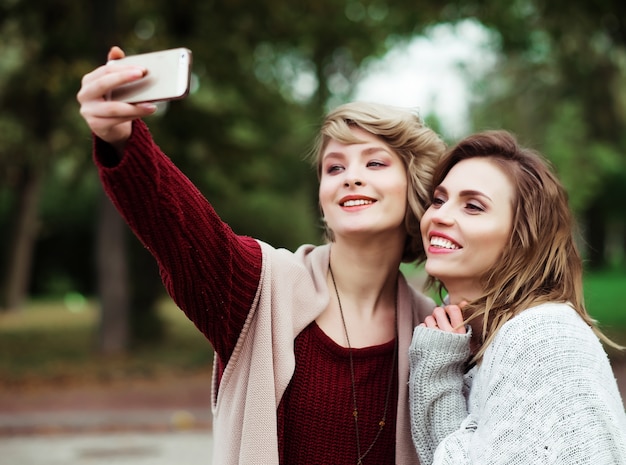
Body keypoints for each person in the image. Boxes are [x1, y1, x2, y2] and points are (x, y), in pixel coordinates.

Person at [77, 46, 447, 464]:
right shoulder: (260, 286)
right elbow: (180, 231)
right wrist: (122, 140)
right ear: (322, 197)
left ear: (414, 188)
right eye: (335, 167)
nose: (351, 178)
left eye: (375, 163)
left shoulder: (434, 330)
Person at [408, 129, 626, 464]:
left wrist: (435, 373)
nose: (438, 215)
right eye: (439, 199)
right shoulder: (476, 338)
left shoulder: (541, 335)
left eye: (473, 206)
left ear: (521, 237)